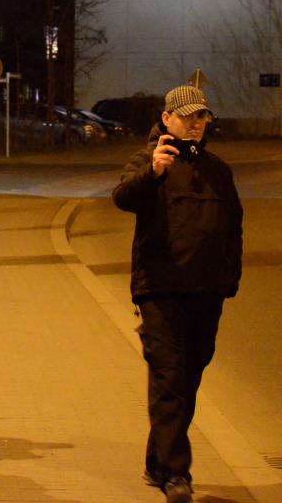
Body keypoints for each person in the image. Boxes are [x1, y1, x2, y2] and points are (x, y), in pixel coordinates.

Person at [112, 85, 243, 503]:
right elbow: (122, 197)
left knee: (188, 378)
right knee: (169, 378)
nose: (197, 124)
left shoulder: (219, 170)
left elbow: (233, 227)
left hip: (207, 292)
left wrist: (229, 278)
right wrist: (153, 172)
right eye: (188, 117)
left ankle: (157, 459)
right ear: (166, 118)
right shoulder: (149, 162)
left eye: (202, 117)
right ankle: (175, 474)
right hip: (160, 289)